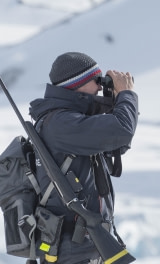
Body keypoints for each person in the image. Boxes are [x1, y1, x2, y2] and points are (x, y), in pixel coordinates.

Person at [28, 52, 138, 264]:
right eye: (96, 80)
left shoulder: (72, 121)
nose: (99, 86)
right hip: (71, 251)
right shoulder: (61, 123)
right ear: (76, 84)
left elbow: (117, 144)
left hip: (84, 247)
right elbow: (122, 130)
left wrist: (115, 103)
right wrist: (127, 95)